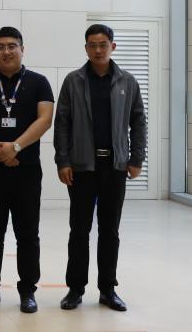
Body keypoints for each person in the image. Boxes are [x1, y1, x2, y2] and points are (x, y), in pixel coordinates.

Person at [54, 24, 147, 313]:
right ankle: (75, 289)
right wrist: (63, 160)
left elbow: (138, 121)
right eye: (92, 45)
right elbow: (62, 123)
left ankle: (108, 289)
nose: (98, 50)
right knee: (79, 230)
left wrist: (136, 158)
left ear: (112, 47)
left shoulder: (127, 81)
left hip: (115, 167)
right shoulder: (73, 81)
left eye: (103, 44)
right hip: (82, 167)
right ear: (86, 48)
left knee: (110, 230)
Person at [0, 27, 54, 313]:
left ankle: (28, 290)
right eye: (0, 46)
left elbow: (45, 119)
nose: (6, 51)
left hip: (26, 170)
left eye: (12, 46)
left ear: (22, 49)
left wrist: (15, 147)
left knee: (27, 233)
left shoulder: (39, 82)